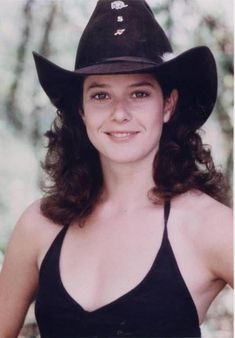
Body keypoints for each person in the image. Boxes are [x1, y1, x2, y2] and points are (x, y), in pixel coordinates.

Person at [0, 0, 232, 337]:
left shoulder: (208, 226)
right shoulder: (40, 225)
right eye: (100, 95)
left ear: (168, 105)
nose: (119, 113)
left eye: (139, 93)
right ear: (80, 109)